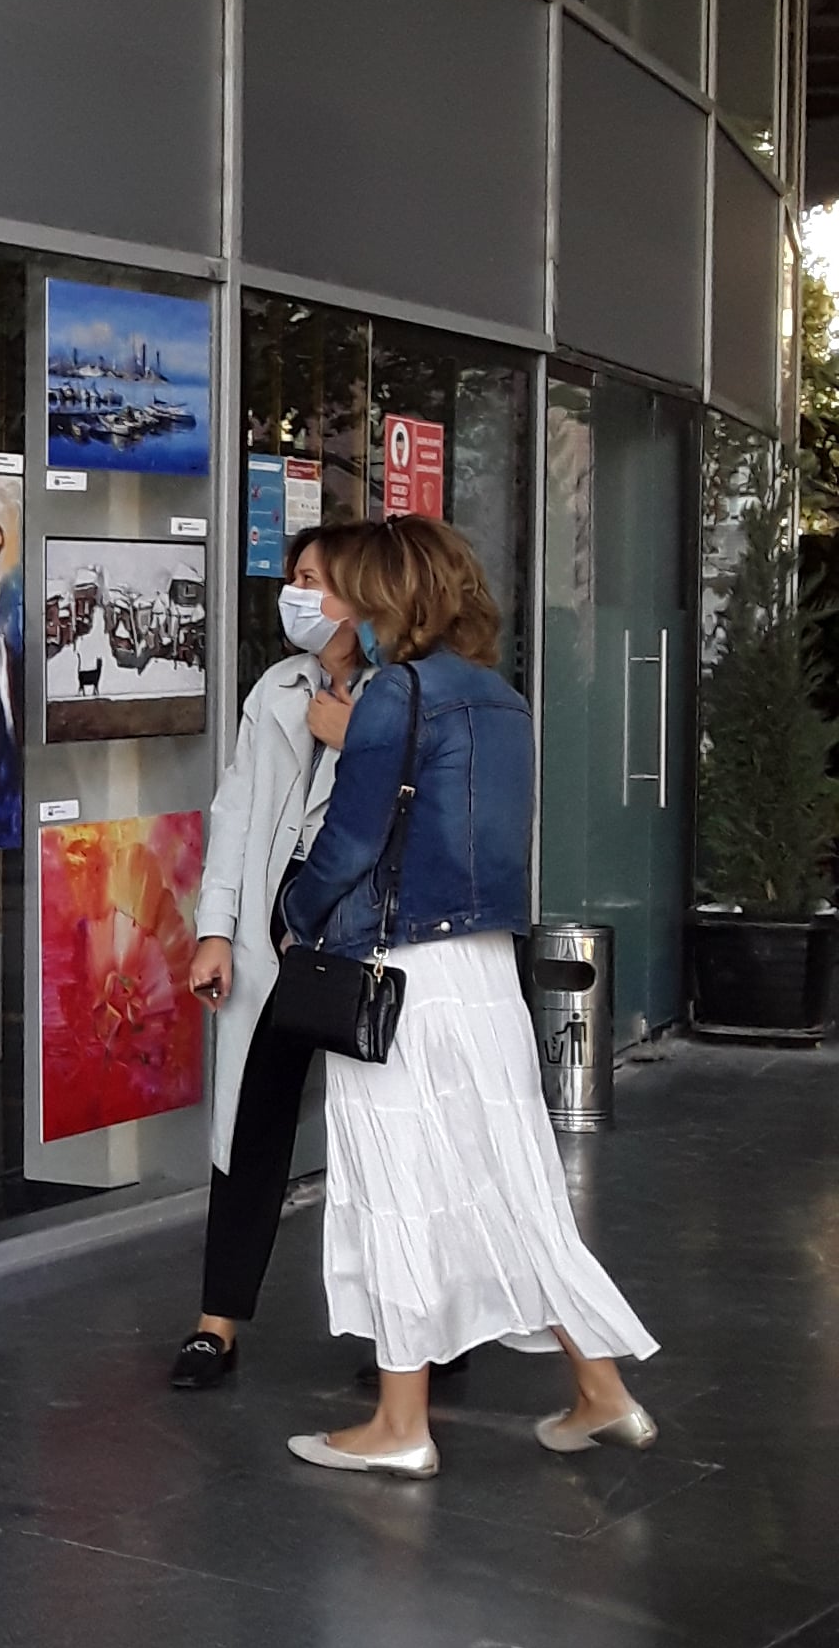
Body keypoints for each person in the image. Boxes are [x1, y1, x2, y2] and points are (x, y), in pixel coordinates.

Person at [274, 515, 659, 1479]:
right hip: (485, 971)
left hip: (400, 972)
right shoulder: (501, 698)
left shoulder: (393, 696)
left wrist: (294, 909)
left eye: (356, 587)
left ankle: (401, 1422)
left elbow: (351, 842)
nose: (341, 606)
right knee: (511, 1176)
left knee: (396, 1179)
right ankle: (600, 1387)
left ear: (388, 595)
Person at [172, 527, 364, 1389]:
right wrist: (216, 929)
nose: (296, 593)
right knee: (253, 1121)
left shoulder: (403, 692)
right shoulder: (277, 687)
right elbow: (236, 812)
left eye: (313, 580)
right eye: (295, 576)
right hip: (271, 927)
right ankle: (216, 1323)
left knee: (378, 1132)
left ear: (359, 596)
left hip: (357, 932)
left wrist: (355, 739)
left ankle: (415, 1330)